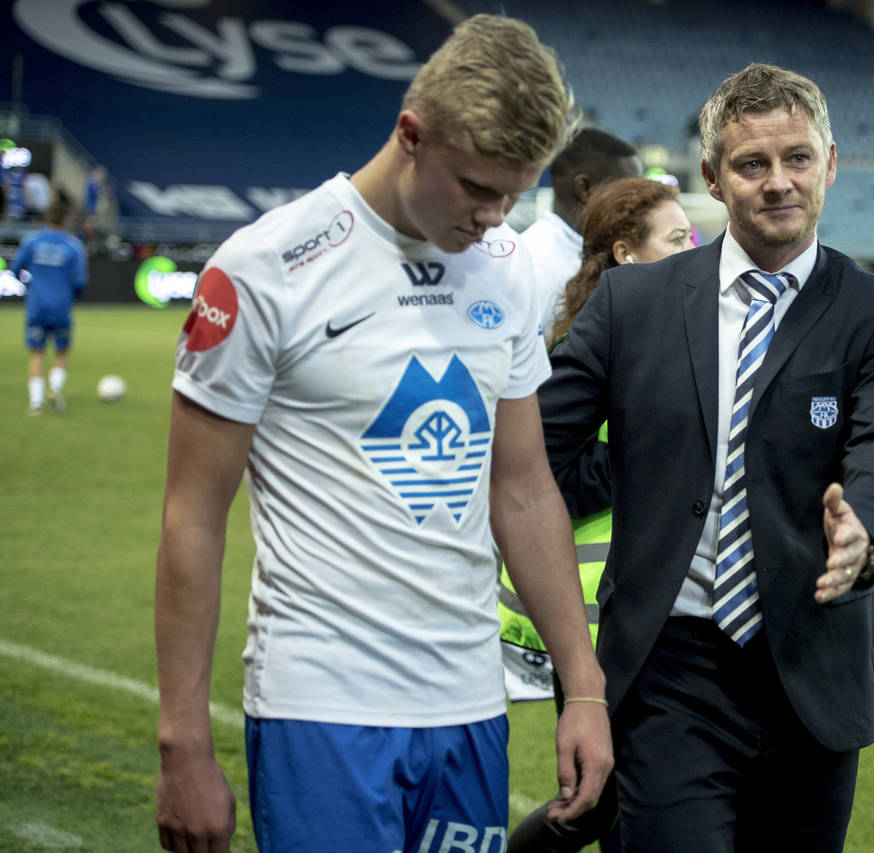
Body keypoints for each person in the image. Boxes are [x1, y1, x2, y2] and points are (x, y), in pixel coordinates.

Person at [153, 15, 610, 853]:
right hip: (320, 707)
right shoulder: (262, 270)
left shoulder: (504, 267)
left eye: (514, 192)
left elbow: (523, 488)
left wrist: (582, 687)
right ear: (410, 134)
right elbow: (193, 513)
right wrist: (182, 738)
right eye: (476, 187)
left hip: (468, 705)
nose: (493, 215)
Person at [539, 63, 874, 852]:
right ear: (713, 179)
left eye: (797, 158)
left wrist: (868, 527)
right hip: (668, 667)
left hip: (814, 664)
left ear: (831, 162)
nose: (778, 182)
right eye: (752, 164)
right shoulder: (633, 302)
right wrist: (639, 469)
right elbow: (540, 453)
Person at [503, 176, 693, 853]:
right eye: (676, 239)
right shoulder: (593, 338)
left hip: (656, 604)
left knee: (613, 799)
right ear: (625, 254)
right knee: (600, 798)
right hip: (594, 611)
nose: (693, 248)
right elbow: (537, 475)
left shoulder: (687, 330)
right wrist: (643, 455)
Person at [521, 128, 642, 345]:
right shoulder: (537, 265)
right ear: (585, 188)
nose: (640, 203)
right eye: (628, 191)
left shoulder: (591, 251)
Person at [11, 198, 87, 414]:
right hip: (61, 306)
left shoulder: (32, 241)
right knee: (62, 351)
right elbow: (80, 281)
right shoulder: (73, 246)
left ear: (46, 217)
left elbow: (15, 269)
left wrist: (30, 283)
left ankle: (35, 403)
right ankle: (54, 389)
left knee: (37, 352)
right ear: (66, 220)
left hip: (37, 305)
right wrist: (72, 298)